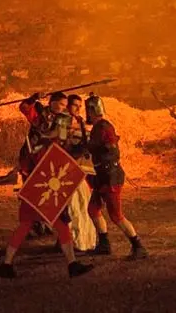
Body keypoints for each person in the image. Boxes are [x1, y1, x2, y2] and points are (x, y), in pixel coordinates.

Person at [0, 91, 94, 279]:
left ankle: (71, 264)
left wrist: (79, 149)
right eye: (62, 104)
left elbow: (63, 145)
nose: (64, 107)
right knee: (30, 221)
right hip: (36, 173)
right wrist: (34, 98)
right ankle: (7, 264)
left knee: (58, 220)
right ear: (53, 102)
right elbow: (25, 108)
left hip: (50, 174)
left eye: (67, 105)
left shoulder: (64, 120)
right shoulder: (40, 115)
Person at [85, 93, 148, 260]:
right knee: (93, 209)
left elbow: (97, 147)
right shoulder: (101, 127)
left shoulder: (102, 127)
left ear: (90, 111)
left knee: (116, 215)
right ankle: (104, 244)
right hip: (102, 175)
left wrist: (85, 145)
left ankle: (138, 246)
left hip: (110, 176)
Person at [65, 94, 97, 252]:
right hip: (67, 170)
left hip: (81, 171)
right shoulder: (63, 123)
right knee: (72, 208)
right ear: (67, 106)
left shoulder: (81, 123)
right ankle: (73, 241)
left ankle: (85, 240)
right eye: (74, 105)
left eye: (80, 105)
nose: (78, 108)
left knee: (84, 205)